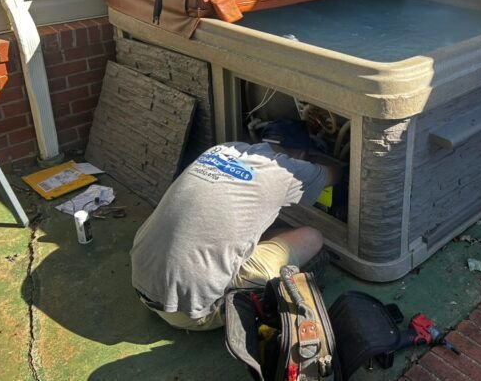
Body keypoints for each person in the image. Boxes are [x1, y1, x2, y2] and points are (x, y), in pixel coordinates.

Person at [130, 119, 341, 331]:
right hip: (190, 313)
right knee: (312, 237)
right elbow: (335, 174)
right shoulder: (288, 170)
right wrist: (317, 163)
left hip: (141, 282)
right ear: (301, 155)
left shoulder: (222, 149)